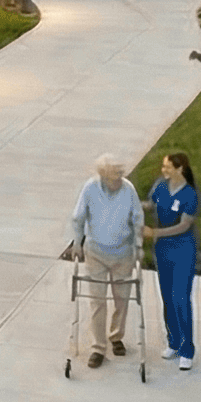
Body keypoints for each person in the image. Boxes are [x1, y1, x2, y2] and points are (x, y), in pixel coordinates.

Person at [66, 154, 143, 368]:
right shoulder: (90, 188)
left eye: (120, 175)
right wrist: (77, 243)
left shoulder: (128, 189)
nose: (118, 180)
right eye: (114, 177)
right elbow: (78, 217)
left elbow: (137, 217)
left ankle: (116, 336)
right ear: (103, 176)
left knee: (122, 298)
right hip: (96, 252)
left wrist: (138, 245)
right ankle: (98, 347)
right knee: (97, 301)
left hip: (123, 252)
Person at [145, 152, 200, 371]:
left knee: (180, 298)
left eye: (168, 167)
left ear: (180, 169)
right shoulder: (161, 186)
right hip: (163, 251)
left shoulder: (190, 194)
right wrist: (129, 202)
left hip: (183, 250)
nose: (163, 170)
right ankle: (173, 342)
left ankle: (187, 349)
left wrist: (155, 232)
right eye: (163, 166)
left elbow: (184, 226)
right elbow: (150, 205)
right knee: (167, 297)